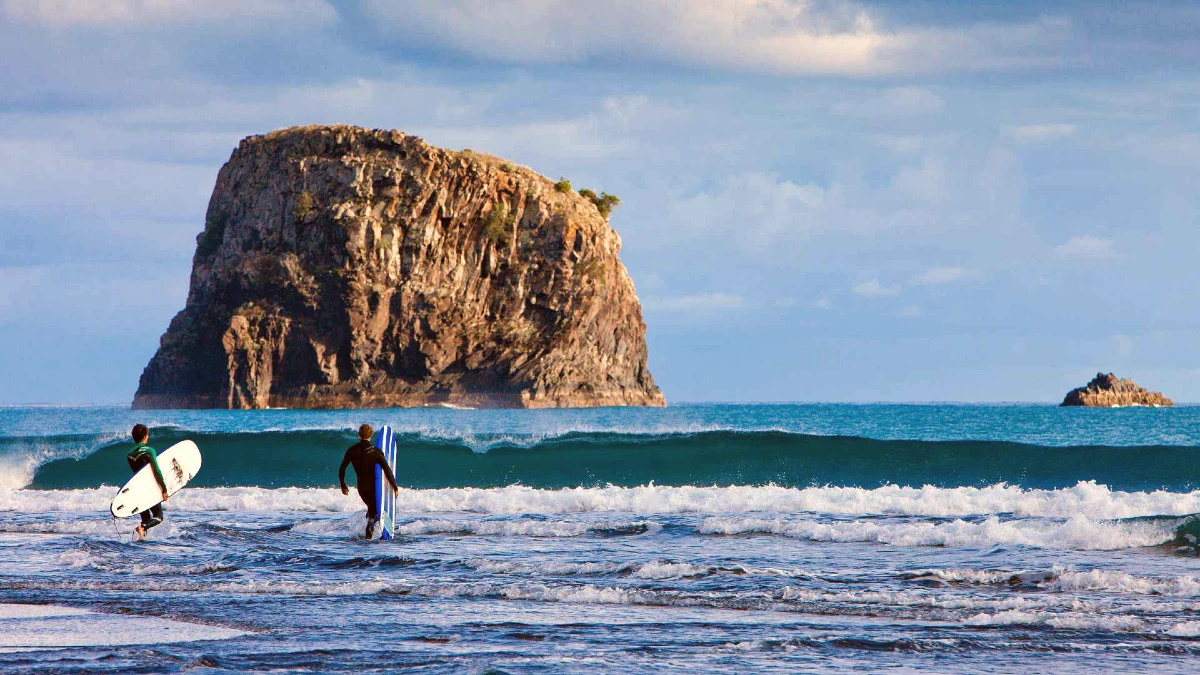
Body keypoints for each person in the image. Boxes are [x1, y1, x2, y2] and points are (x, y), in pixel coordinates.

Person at [339, 424, 399, 539]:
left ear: (359, 434)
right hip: (373, 487)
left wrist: (343, 484)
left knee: (372, 509)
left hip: (362, 488)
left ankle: (368, 536)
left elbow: (342, 468)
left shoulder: (352, 450)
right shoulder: (376, 452)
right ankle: (368, 536)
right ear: (371, 434)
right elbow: (387, 470)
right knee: (374, 514)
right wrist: (394, 486)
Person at [127, 424, 169, 540]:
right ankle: (143, 528)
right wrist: (164, 489)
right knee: (158, 516)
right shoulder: (149, 450)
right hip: (149, 488)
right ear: (145, 436)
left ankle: (142, 542)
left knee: (145, 518)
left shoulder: (129, 453)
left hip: (137, 488)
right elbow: (156, 471)